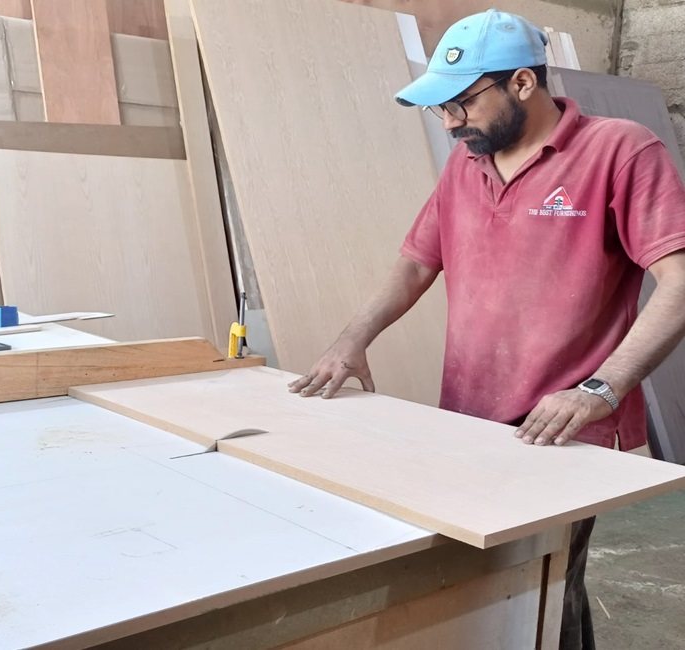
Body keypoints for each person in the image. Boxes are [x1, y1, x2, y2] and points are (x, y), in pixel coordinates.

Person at [286, 9, 685, 650]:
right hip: (468, 419)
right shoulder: (466, 164)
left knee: (543, 592)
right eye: (440, 109)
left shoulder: (621, 150)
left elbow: (680, 284)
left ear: (522, 83)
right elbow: (416, 263)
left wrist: (599, 390)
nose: (449, 124)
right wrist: (351, 339)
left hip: (562, 429)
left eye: (461, 105)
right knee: (487, 591)